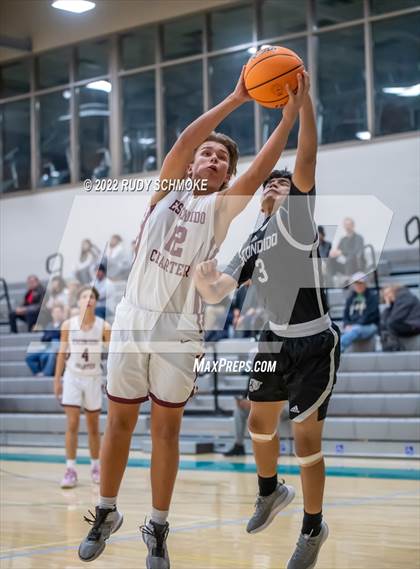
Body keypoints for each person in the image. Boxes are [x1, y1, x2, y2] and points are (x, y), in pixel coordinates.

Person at [78, 67, 309, 568]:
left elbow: (256, 172)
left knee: (165, 431)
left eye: (220, 157)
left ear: (227, 176)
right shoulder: (167, 190)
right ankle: (106, 510)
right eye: (207, 152)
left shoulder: (222, 207)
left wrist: (287, 119)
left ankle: (157, 527)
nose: (210, 157)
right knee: (119, 422)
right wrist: (236, 97)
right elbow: (185, 139)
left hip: (180, 330)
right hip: (134, 318)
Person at [194, 88, 340, 569]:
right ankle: (270, 492)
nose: (272, 189)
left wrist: (304, 105)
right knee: (259, 423)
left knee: (305, 441)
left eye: (281, 185)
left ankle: (313, 527)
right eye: (267, 187)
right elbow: (219, 292)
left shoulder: (299, 220)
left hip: (314, 341)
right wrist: (204, 276)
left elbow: (307, 157)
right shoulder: (253, 239)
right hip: (274, 338)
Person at [54, 286, 111, 489]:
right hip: (72, 376)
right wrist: (57, 380)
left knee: (94, 427)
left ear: (96, 302)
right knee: (72, 424)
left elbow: (113, 354)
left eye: (92, 296)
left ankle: (96, 467)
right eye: (84, 296)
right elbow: (62, 352)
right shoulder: (68, 325)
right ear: (78, 302)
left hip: (93, 377)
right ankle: (70, 469)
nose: (88, 299)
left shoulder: (104, 326)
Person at [340, 272, 379, 352]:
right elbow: (346, 315)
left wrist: (354, 325)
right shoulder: (350, 298)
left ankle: (338, 349)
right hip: (354, 327)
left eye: (360, 283)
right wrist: (347, 324)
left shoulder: (372, 297)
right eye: (356, 283)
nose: (358, 286)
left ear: (365, 284)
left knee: (356, 329)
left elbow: (370, 316)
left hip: (370, 326)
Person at [25, 304, 65, 376]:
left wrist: (51, 336)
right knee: (29, 358)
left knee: (53, 345)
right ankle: (37, 373)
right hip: (47, 346)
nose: (57, 314)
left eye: (59, 312)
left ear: (62, 313)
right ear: (52, 314)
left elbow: (59, 336)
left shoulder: (64, 324)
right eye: (55, 312)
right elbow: (44, 338)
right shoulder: (49, 325)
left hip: (57, 346)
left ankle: (46, 373)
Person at [381, 284, 420, 350]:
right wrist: (388, 305)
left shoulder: (404, 296)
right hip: (407, 324)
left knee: (391, 324)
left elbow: (396, 317)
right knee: (384, 325)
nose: (388, 296)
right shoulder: (395, 302)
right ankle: (391, 346)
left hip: (414, 325)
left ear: (394, 290)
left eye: (389, 293)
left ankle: (394, 346)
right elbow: (384, 319)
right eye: (385, 295)